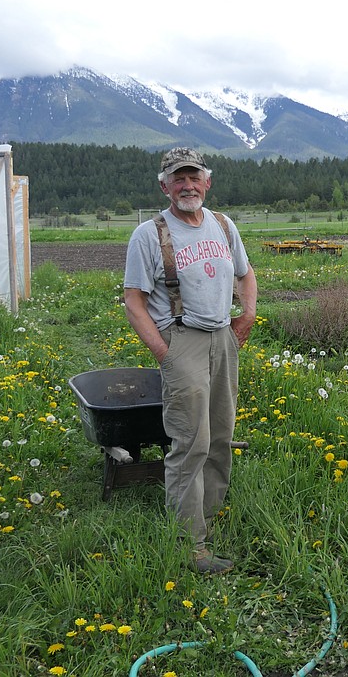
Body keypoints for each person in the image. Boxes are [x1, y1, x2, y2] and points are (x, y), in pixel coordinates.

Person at [124, 147, 257, 575]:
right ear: (164, 186)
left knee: (221, 434)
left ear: (207, 182)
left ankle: (210, 518)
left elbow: (245, 272)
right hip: (182, 339)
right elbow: (134, 303)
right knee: (190, 441)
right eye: (177, 179)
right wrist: (164, 353)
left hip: (222, 337)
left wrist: (248, 313)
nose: (187, 185)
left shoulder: (222, 224)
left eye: (194, 177)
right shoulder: (150, 234)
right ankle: (189, 546)